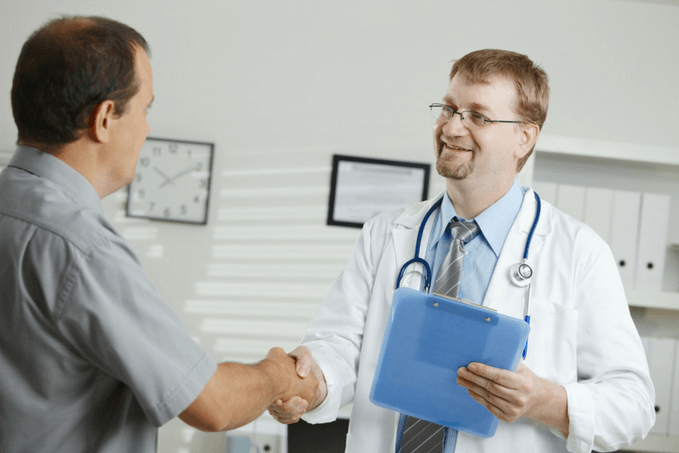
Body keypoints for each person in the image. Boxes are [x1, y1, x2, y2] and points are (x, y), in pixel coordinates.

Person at [268, 49, 656, 453]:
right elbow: (340, 347)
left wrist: (544, 400)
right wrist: (311, 385)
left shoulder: (579, 252)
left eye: (478, 116)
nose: (452, 128)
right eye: (449, 109)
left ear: (524, 137)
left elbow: (634, 404)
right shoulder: (386, 233)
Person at [0, 16, 319, 453]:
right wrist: (278, 373)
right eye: (145, 108)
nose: (147, 128)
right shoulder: (80, 247)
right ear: (105, 118)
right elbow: (214, 405)